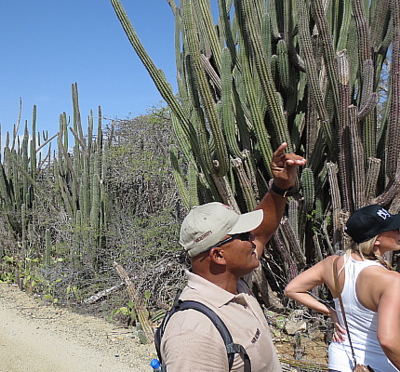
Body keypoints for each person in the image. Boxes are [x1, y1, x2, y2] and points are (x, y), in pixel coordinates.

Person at [160, 142, 305, 371]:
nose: (252, 239)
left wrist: (280, 187)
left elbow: (263, 231)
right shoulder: (194, 332)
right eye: (244, 235)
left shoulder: (233, 286)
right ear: (218, 255)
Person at [284, 204, 400, 371]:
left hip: (341, 359)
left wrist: (331, 312)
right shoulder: (391, 280)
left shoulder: (332, 265)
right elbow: (387, 340)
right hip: (381, 364)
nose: (399, 232)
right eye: (394, 229)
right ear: (377, 239)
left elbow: (292, 289)